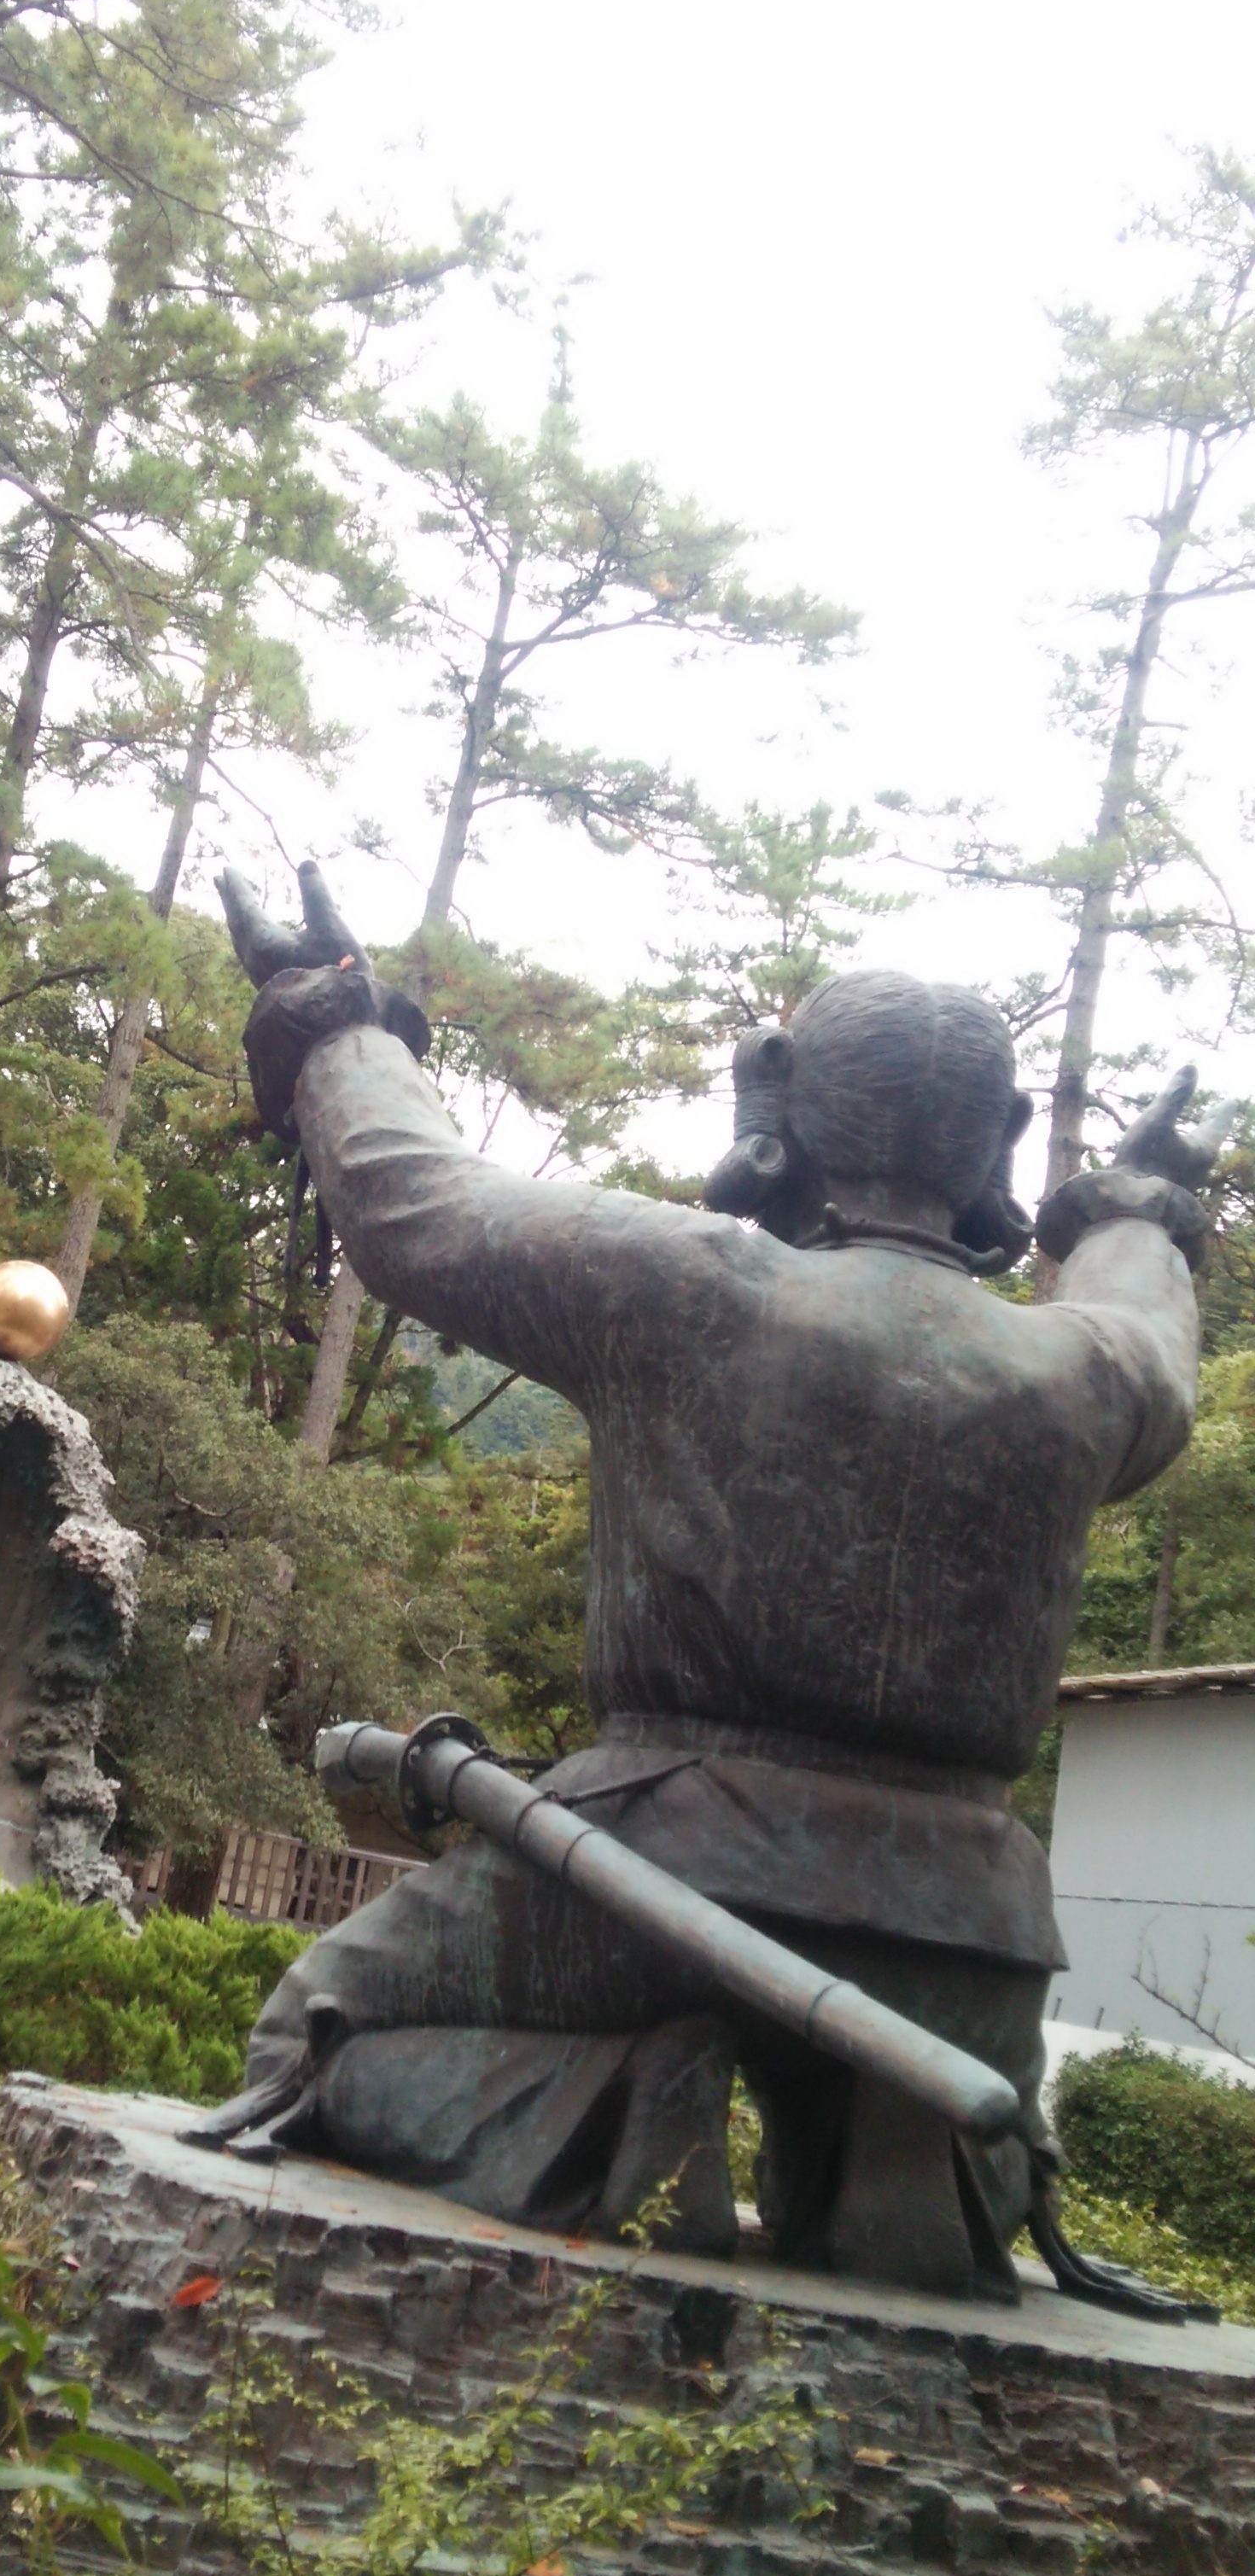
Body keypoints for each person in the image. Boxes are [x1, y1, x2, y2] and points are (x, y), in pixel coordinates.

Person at [208, 865, 1225, 2299]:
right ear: (998, 1137)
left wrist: (332, 1019)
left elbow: (407, 1198)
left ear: (785, 1105)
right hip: (967, 1929)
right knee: (965, 2187)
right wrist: (1134, 1202)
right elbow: (1147, 1309)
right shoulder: (1093, 1372)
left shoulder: (682, 1281)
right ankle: (910, 2170)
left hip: (650, 1875)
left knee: (323, 2038)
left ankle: (624, 2120)